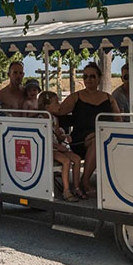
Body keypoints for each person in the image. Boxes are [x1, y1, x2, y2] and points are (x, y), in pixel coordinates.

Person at [48, 62, 117, 198]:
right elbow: (59, 110)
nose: (88, 80)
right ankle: (85, 181)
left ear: (99, 78)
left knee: (101, 138)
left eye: (92, 76)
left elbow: (118, 118)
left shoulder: (109, 98)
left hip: (106, 137)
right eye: (85, 77)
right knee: (97, 139)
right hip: (80, 140)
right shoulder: (76, 97)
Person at [39, 91, 83, 202]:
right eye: (56, 103)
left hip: (57, 147)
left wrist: (65, 137)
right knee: (66, 161)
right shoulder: (40, 119)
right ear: (47, 106)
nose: (59, 105)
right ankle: (66, 190)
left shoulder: (54, 119)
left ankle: (76, 187)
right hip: (48, 149)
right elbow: (43, 140)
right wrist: (58, 146)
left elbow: (58, 134)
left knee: (77, 159)